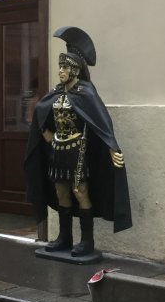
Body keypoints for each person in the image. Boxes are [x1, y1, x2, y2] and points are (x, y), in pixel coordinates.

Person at [24, 26, 132, 257]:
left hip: (77, 150)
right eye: (60, 67)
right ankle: (64, 238)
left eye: (65, 67)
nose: (60, 71)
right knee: (61, 191)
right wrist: (46, 134)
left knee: (80, 191)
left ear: (74, 70)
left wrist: (111, 147)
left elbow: (100, 122)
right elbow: (42, 113)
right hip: (58, 150)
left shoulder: (86, 92)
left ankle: (87, 241)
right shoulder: (56, 92)